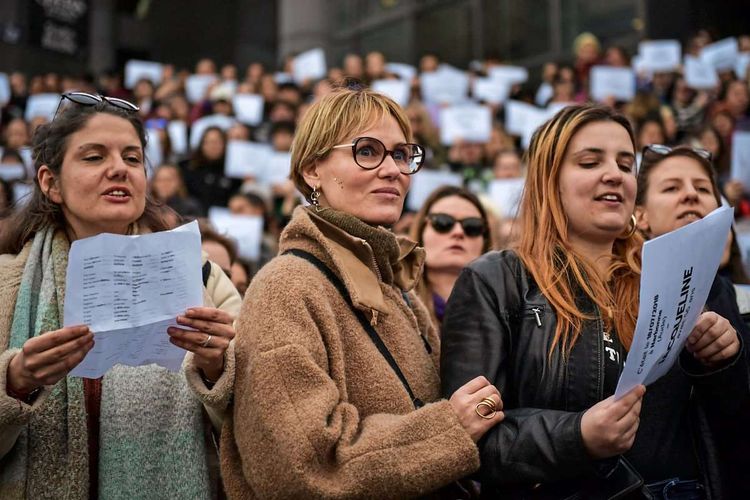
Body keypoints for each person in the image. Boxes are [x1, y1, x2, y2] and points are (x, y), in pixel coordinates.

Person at [441, 104, 748, 499]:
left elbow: (730, 426)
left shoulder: (675, 275)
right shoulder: (495, 280)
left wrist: (723, 360)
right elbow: (471, 439)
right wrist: (578, 436)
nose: (614, 175)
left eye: (625, 164)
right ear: (549, 180)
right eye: (589, 162)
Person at [221, 87, 504, 499]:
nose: (393, 170)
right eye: (367, 152)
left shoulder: (397, 290)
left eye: (402, 155)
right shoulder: (284, 288)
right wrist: (448, 430)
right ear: (312, 170)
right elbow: (301, 467)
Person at [0, 92, 241, 498]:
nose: (119, 169)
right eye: (94, 157)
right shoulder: (6, 284)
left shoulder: (203, 278)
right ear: (50, 182)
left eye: (132, 159)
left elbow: (256, 427)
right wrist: (15, 381)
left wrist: (218, 368)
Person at [409, 186, 493, 327]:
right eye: (443, 222)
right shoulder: (395, 299)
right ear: (421, 231)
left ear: (485, 240)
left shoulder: (507, 307)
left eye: (472, 226)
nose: (458, 232)